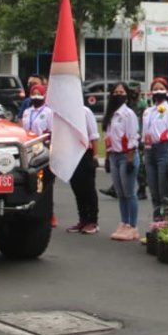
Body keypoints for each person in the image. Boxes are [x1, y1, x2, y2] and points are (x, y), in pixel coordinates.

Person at [103, 82, 140, 241]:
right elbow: (108, 137)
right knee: (120, 194)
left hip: (126, 157)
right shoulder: (111, 114)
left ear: (126, 95)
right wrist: (107, 158)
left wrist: (130, 159)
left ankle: (133, 226)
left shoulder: (128, 114)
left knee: (129, 193)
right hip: (114, 156)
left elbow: (133, 137)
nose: (118, 95)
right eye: (116, 92)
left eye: (121, 92)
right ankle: (124, 223)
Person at [65, 99, 101, 235]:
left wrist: (95, 155)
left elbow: (93, 135)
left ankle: (93, 221)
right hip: (71, 153)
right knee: (77, 187)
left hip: (85, 153)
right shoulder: (65, 113)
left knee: (88, 188)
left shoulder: (85, 112)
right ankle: (83, 219)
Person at [142, 76, 168, 225]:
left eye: (161, 88)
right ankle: (156, 221)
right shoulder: (147, 112)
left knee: (163, 189)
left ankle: (167, 220)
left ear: (167, 91)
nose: (158, 91)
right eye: (155, 89)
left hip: (164, 149)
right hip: (149, 150)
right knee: (153, 190)